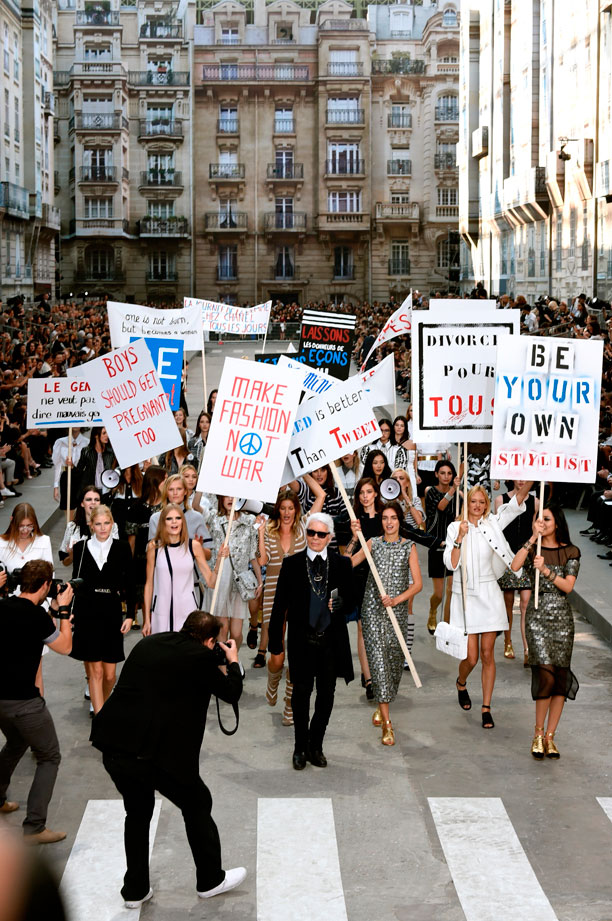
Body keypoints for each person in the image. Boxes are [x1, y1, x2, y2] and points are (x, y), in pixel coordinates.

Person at [90, 610, 246, 908]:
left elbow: (181, 663)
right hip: (153, 756)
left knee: (137, 813)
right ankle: (211, 879)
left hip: (114, 745)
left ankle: (135, 890)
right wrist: (233, 660)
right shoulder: (200, 659)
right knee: (197, 802)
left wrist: (213, 658)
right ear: (211, 640)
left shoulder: (150, 643)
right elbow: (231, 692)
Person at [268, 512, 356, 770]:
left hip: (331, 641)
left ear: (329, 537)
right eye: (311, 533)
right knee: (300, 694)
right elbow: (279, 605)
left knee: (327, 695)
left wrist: (342, 603)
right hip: (301, 640)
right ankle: (299, 747)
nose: (315, 538)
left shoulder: (342, 565)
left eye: (321, 534)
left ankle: (316, 744)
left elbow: (351, 599)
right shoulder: (292, 564)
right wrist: (275, 642)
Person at [443, 481, 532, 728]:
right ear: (467, 503)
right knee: (471, 658)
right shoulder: (454, 528)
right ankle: (461, 683)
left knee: (487, 654)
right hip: (467, 598)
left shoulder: (492, 524)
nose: (478, 506)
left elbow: (517, 502)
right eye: (474, 501)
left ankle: (486, 707)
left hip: (490, 593)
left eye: (482, 502)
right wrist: (460, 538)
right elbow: (450, 564)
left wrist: (532, 474)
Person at [0, 560, 74, 844]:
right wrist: (64, 609)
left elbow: (43, 630)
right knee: (49, 756)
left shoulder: (3, 606)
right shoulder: (36, 617)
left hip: (0, 701)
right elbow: (65, 647)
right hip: (24, 703)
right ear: (45, 585)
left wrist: (52, 611)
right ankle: (34, 826)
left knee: (17, 743)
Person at [348, 501, 423, 745]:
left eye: (393, 518)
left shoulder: (408, 547)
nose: (389, 522)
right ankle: (388, 724)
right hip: (372, 611)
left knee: (392, 665)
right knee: (378, 663)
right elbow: (349, 563)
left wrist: (397, 600)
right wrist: (353, 538)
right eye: (385, 518)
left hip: (397, 614)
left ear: (400, 521)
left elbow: (418, 584)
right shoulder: (373, 543)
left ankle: (383, 705)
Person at [510, 504, 580, 759]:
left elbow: (568, 587)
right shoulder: (534, 550)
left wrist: (546, 570)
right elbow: (515, 566)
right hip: (537, 617)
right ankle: (537, 734)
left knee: (560, 679)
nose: (543, 522)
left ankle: (551, 737)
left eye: (547, 518)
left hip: (561, 619)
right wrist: (532, 539)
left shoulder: (571, 552)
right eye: (539, 518)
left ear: (558, 523)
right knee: (546, 676)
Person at [256, 477, 325, 729]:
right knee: (277, 656)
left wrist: (303, 470)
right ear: (277, 510)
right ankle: (273, 679)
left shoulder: (305, 527)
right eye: (282, 508)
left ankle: (289, 704)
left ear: (296, 509)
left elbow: (320, 497)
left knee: (296, 657)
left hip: (299, 599)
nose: (286, 513)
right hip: (274, 597)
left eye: (290, 508)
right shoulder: (270, 529)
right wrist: (262, 534)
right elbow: (263, 562)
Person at [70, 506, 135, 714]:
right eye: (98, 524)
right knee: (96, 671)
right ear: (91, 525)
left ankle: (103, 707)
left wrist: (131, 614)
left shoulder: (123, 547)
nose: (102, 528)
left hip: (111, 611)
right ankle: (100, 719)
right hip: (86, 611)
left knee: (109, 675)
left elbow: (130, 584)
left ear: (112, 524)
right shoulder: (80, 549)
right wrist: (70, 613)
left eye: (106, 523)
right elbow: (76, 584)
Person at [142, 504, 217, 636]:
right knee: (163, 653)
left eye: (178, 518)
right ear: (163, 522)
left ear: (183, 521)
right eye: (169, 519)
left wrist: (220, 560)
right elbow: (149, 584)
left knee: (185, 652)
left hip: (187, 610)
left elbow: (211, 582)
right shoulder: (154, 546)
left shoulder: (193, 546)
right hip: (161, 611)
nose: (174, 522)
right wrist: (147, 619)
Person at [200, 496, 261, 649]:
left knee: (236, 633)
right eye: (226, 496)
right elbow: (195, 506)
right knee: (222, 629)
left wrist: (260, 581)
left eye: (234, 496)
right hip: (220, 578)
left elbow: (252, 554)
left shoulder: (249, 521)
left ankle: (232, 657)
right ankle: (223, 667)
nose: (230, 500)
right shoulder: (214, 517)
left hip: (238, 582)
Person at [494, 481, 539, 663]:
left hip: (527, 554)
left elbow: (535, 527)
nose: (521, 480)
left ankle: (527, 648)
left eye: (525, 476)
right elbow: (499, 528)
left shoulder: (536, 501)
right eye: (517, 476)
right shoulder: (500, 499)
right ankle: (507, 641)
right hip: (507, 555)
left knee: (525, 604)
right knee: (508, 602)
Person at [424, 461, 461, 634]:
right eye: (443, 473)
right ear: (436, 474)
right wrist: (453, 489)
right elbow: (441, 506)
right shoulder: (430, 492)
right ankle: (432, 611)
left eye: (449, 473)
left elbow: (459, 515)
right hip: (437, 544)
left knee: (451, 590)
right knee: (439, 594)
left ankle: (445, 626)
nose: (446, 476)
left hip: (453, 545)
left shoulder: (459, 496)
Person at [58, 485, 119, 567]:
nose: (93, 502)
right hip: (80, 577)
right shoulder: (72, 527)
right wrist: (72, 556)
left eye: (96, 500)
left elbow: (116, 556)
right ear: (82, 503)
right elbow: (65, 562)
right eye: (89, 499)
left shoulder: (112, 526)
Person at [52, 427, 88, 516]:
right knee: (68, 508)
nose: (75, 425)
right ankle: (70, 528)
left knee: (83, 506)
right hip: (66, 476)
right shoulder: (60, 442)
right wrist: (56, 486)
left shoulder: (87, 442)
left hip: (82, 477)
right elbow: (57, 465)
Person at [75, 427, 116, 494]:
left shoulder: (111, 453)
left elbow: (115, 470)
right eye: (104, 433)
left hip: (107, 490)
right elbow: (79, 471)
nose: (107, 436)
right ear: (96, 436)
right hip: (91, 490)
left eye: (107, 433)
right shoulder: (86, 451)